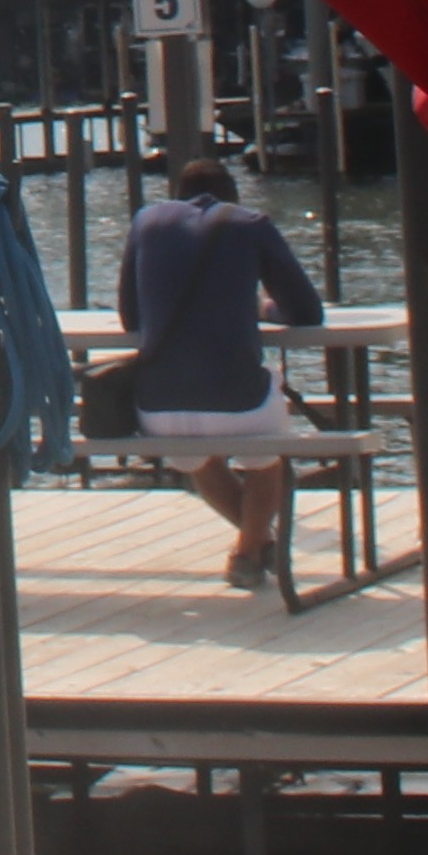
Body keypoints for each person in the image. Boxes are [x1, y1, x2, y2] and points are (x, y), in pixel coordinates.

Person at [116, 146, 329, 593]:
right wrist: (263, 308)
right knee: (267, 453)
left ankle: (257, 546)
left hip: (160, 406)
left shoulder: (146, 223)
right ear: (231, 197)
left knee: (197, 452)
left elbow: (131, 318)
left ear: (178, 195)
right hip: (240, 401)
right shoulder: (250, 224)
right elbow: (307, 311)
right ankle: (251, 549)